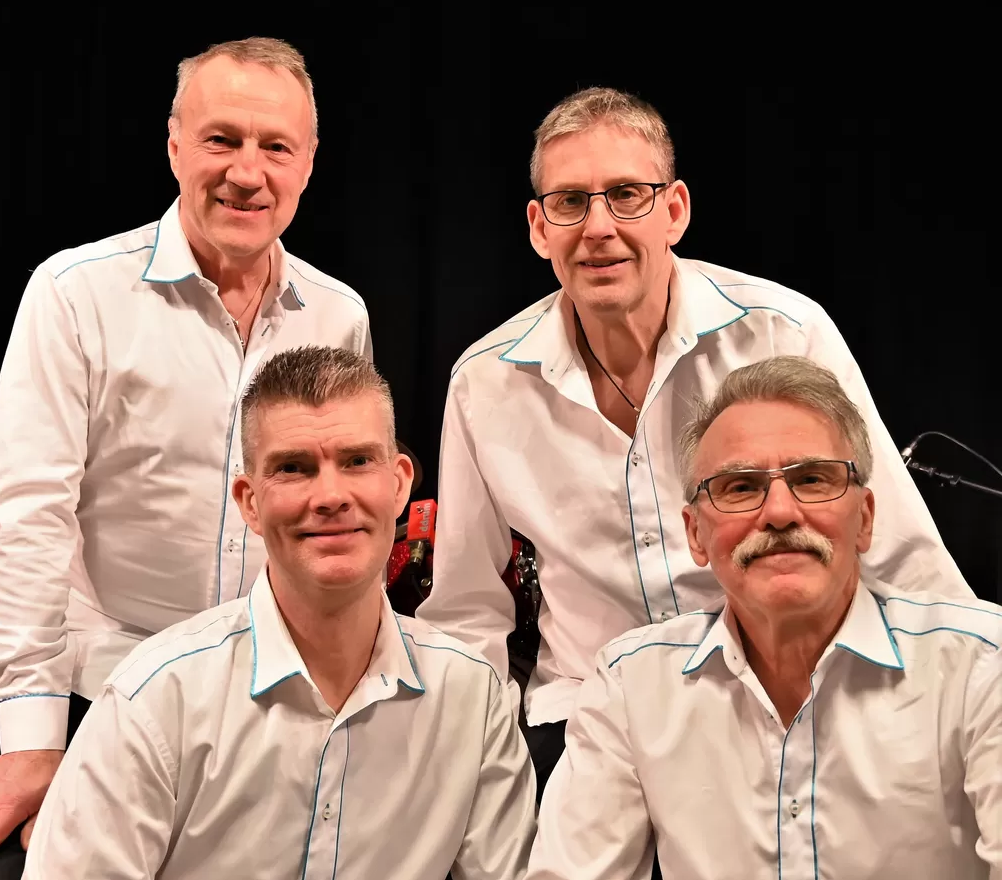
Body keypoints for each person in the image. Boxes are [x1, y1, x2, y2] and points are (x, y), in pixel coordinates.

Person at [417, 86, 973, 798]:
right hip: (589, 721)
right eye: (570, 202)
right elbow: (468, 616)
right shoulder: (484, 384)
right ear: (537, 226)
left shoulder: (783, 334)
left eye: (626, 195)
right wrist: (484, 783)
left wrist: (949, 717)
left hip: (785, 702)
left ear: (675, 209)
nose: (598, 227)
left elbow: (901, 556)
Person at [0, 37, 371, 869]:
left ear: (308, 163)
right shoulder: (75, 293)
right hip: (107, 697)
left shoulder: (337, 315)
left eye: (276, 147)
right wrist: (31, 734)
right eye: (221, 140)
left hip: (277, 709)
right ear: (173, 145)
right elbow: (26, 519)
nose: (247, 172)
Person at [20, 346, 537, 880]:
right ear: (248, 501)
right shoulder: (154, 701)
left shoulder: (475, 701)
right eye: (294, 468)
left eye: (358, 460)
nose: (331, 496)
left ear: (400, 483)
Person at [527, 355, 1000, 880]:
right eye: (740, 487)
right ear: (695, 534)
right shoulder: (629, 686)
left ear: (865, 519)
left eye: (813, 479)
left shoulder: (983, 668)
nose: (778, 512)